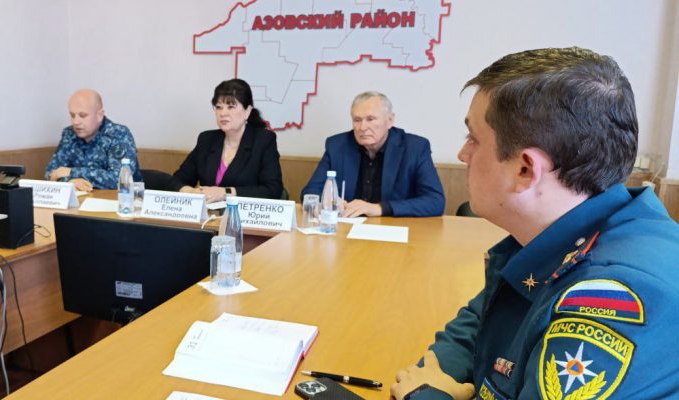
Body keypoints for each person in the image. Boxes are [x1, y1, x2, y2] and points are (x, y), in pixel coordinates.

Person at [391, 47, 679, 399]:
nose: (464, 154)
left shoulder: (610, 299)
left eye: (474, 139)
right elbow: (480, 321)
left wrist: (426, 394)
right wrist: (435, 379)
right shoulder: (563, 229)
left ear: (526, 169)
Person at [300, 92, 444, 217]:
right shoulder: (337, 146)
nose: (362, 127)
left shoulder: (415, 148)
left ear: (390, 120)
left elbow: (435, 201)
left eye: (370, 119)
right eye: (357, 120)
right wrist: (329, 202)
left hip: (394, 231)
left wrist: (379, 208)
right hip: (346, 228)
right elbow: (310, 193)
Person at [169, 79, 283, 203]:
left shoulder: (263, 140)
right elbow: (176, 181)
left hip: (243, 213)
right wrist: (192, 192)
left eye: (231, 107)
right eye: (219, 107)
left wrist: (225, 193)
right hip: (209, 213)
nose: (223, 113)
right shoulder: (206, 139)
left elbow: (273, 190)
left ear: (248, 111)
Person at [45, 89, 142, 191]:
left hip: (120, 199)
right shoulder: (69, 134)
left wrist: (72, 172)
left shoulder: (118, 134)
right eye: (72, 115)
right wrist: (70, 182)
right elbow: (51, 173)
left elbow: (119, 179)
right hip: (81, 199)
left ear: (99, 115)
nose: (76, 122)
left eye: (82, 115)